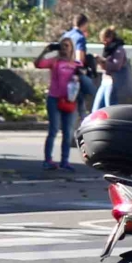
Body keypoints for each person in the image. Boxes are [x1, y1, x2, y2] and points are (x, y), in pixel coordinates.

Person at [36, 37, 81, 170]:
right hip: (54, 99)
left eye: (67, 46)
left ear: (71, 48)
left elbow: (85, 80)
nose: (64, 48)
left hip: (69, 101)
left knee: (68, 132)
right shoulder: (54, 62)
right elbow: (37, 64)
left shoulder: (76, 64)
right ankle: (47, 160)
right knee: (53, 129)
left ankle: (65, 160)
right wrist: (45, 51)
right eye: (62, 46)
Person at [96, 28, 130, 110]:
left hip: (113, 82)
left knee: (111, 109)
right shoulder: (108, 49)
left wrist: (103, 61)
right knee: (96, 109)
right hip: (105, 81)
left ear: (110, 38)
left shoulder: (119, 50)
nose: (104, 42)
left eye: (105, 40)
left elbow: (116, 66)